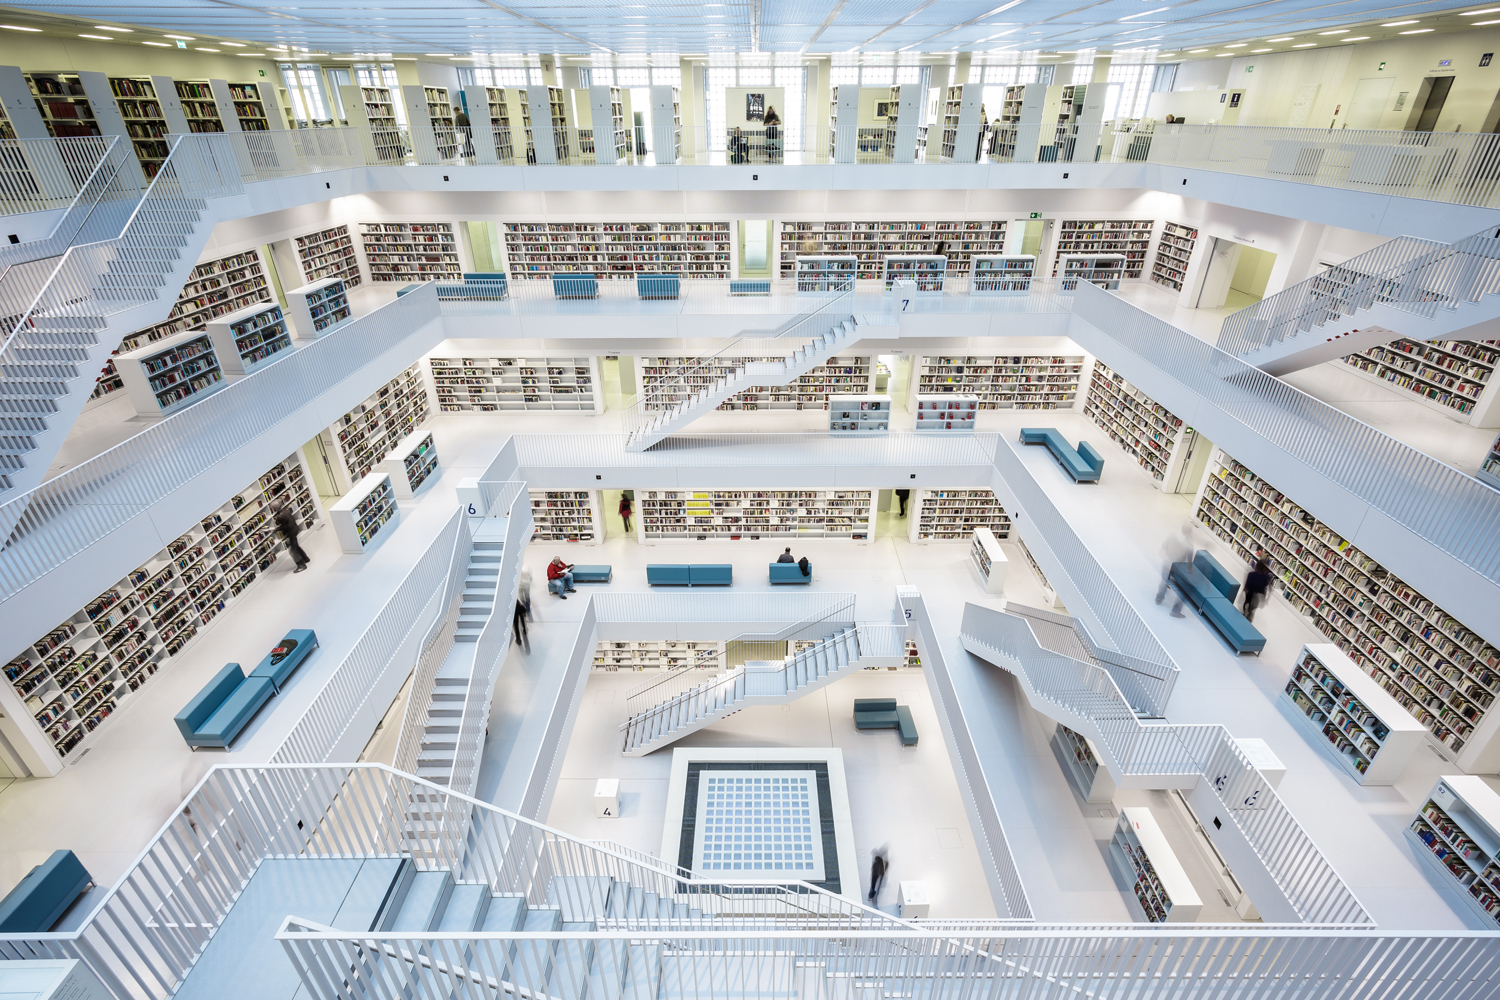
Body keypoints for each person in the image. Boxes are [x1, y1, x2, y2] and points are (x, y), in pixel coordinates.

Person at [1156, 522, 1195, 618]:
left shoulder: (1172, 535)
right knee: (1184, 590)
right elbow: (1189, 563)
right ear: (1189, 533)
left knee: (1164, 580)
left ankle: (1159, 598)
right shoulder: (1189, 545)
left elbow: (1164, 546)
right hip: (1176, 569)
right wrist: (1190, 574)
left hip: (1166, 563)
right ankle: (1175, 611)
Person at [272, 498, 309, 573]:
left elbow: (285, 526)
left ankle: (301, 565)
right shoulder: (287, 511)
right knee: (296, 546)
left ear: (275, 508)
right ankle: (305, 558)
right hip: (295, 529)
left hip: (291, 532)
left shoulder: (280, 516)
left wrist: (276, 529)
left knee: (292, 550)